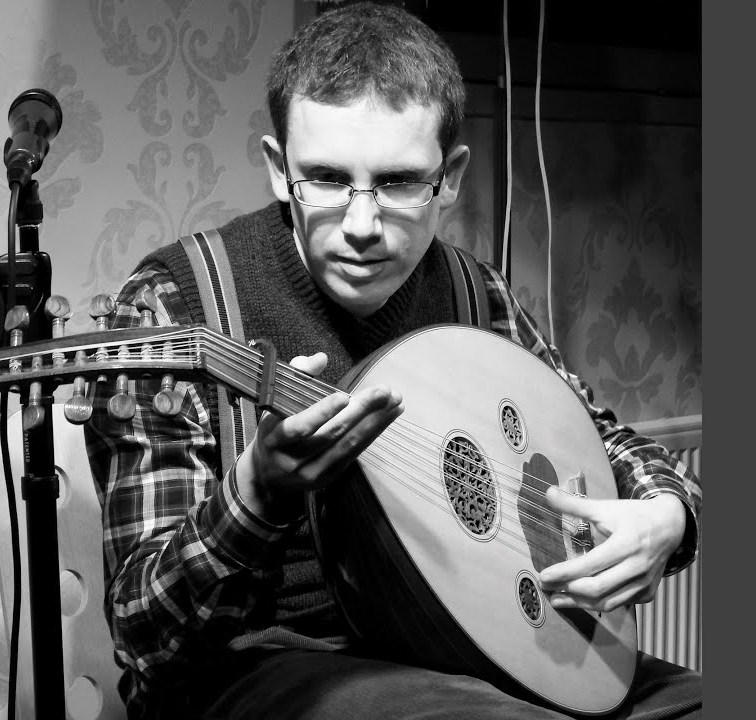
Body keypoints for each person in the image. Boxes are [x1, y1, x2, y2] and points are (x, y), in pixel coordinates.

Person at [85, 4, 702, 718]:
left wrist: (668, 516)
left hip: (469, 645)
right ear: (279, 169)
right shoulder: (176, 304)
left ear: (451, 177)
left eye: (401, 182)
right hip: (264, 663)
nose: (361, 225)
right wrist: (255, 495)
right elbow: (146, 640)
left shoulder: (475, 291)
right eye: (325, 178)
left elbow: (605, 439)